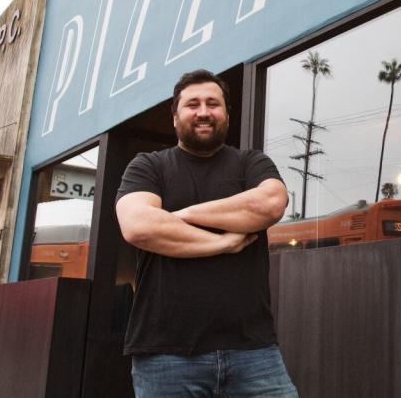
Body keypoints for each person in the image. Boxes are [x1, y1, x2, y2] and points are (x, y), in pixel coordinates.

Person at [115, 69, 297, 397]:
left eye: (213, 104)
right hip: (166, 355)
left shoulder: (250, 163)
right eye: (192, 104)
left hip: (253, 353)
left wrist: (179, 217)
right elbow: (139, 225)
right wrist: (222, 243)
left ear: (227, 114)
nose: (203, 112)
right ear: (175, 117)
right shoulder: (148, 166)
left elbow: (270, 204)